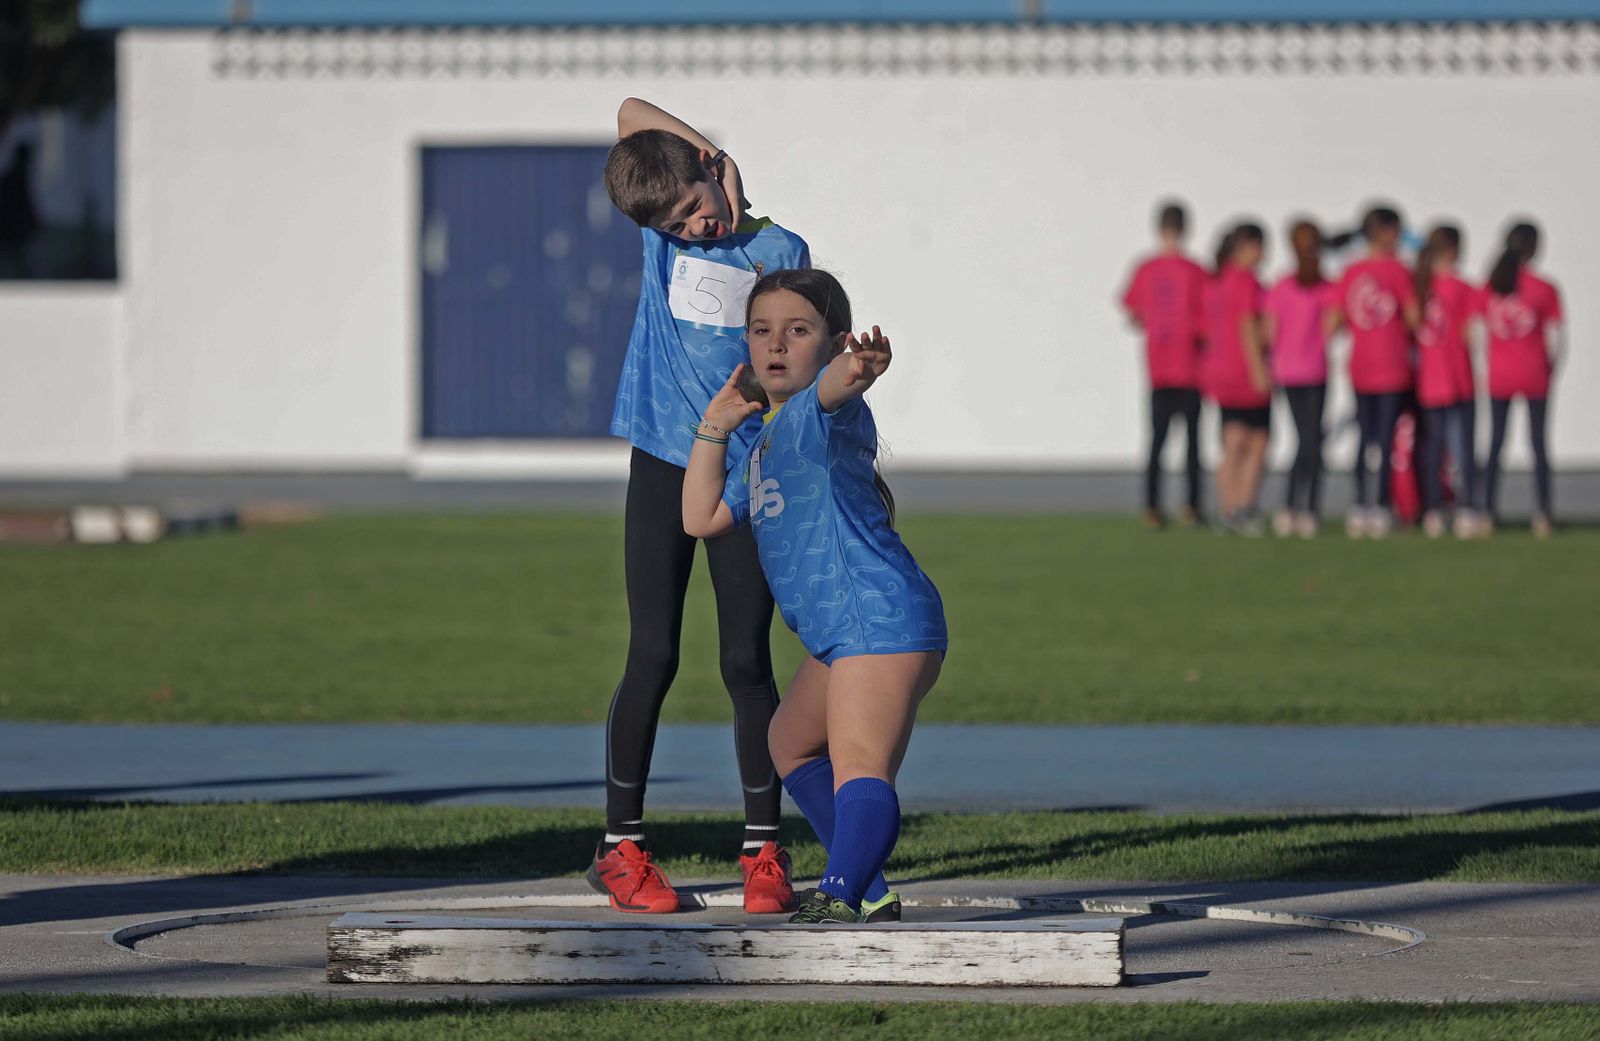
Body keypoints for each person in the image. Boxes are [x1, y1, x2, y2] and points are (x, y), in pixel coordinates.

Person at [590, 98, 809, 915]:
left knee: (746, 661)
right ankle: (622, 849)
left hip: (744, 474)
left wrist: (718, 172)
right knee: (652, 653)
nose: (694, 230)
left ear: (710, 181)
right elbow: (628, 114)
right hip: (658, 462)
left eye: (695, 210)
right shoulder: (660, 238)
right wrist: (707, 159)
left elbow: (793, 360)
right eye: (677, 226)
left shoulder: (780, 249)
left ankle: (763, 852)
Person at [683, 269, 947, 925]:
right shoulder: (763, 443)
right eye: (761, 331)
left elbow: (838, 386)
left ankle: (838, 890)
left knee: (860, 762)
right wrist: (714, 428)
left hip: (876, 619)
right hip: (844, 634)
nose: (776, 344)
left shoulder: (820, 412)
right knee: (790, 744)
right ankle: (870, 886)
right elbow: (701, 518)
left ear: (829, 344)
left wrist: (859, 366)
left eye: (797, 331)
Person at [1326, 206, 1419, 539]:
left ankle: (1359, 505)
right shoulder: (1398, 271)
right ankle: (1378, 505)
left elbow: (1335, 320)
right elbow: (1412, 317)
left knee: (1365, 439)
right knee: (1384, 438)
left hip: (1361, 367)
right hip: (1391, 367)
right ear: (1384, 232)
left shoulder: (1350, 272)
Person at [1120, 201, 1208, 528]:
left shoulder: (1147, 269)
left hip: (1163, 366)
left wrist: (1155, 323)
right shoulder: (1195, 270)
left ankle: (1153, 508)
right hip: (1188, 367)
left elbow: (1132, 312)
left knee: (1159, 442)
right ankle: (1191, 506)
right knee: (1190, 444)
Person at [1480, 221, 1564, 538]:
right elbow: (1557, 339)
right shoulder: (1544, 288)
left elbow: (1477, 332)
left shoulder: (1492, 285)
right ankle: (1542, 513)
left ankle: (1487, 511)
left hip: (1499, 375)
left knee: (1495, 444)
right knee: (1539, 445)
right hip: (1535, 375)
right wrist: (1550, 370)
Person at [1262, 220, 1337, 538]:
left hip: (1302, 372)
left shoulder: (1287, 287)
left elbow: (1269, 330)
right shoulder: (1316, 287)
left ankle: (1302, 507)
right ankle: (1299, 506)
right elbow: (1332, 326)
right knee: (1309, 440)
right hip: (1301, 372)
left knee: (1309, 441)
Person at [1412, 224, 1482, 539]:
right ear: (1454, 249)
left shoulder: (1418, 286)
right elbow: (1470, 334)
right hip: (1458, 379)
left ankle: (1433, 510)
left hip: (1428, 380)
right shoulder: (1462, 288)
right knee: (1462, 449)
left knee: (1432, 450)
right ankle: (1467, 508)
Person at [1203, 223, 1270, 536]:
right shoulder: (1245, 281)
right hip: (1243, 371)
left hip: (1221, 370)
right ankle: (1242, 508)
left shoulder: (1218, 281)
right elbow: (1247, 327)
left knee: (1231, 442)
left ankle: (1227, 510)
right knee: (1255, 442)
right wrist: (1259, 370)